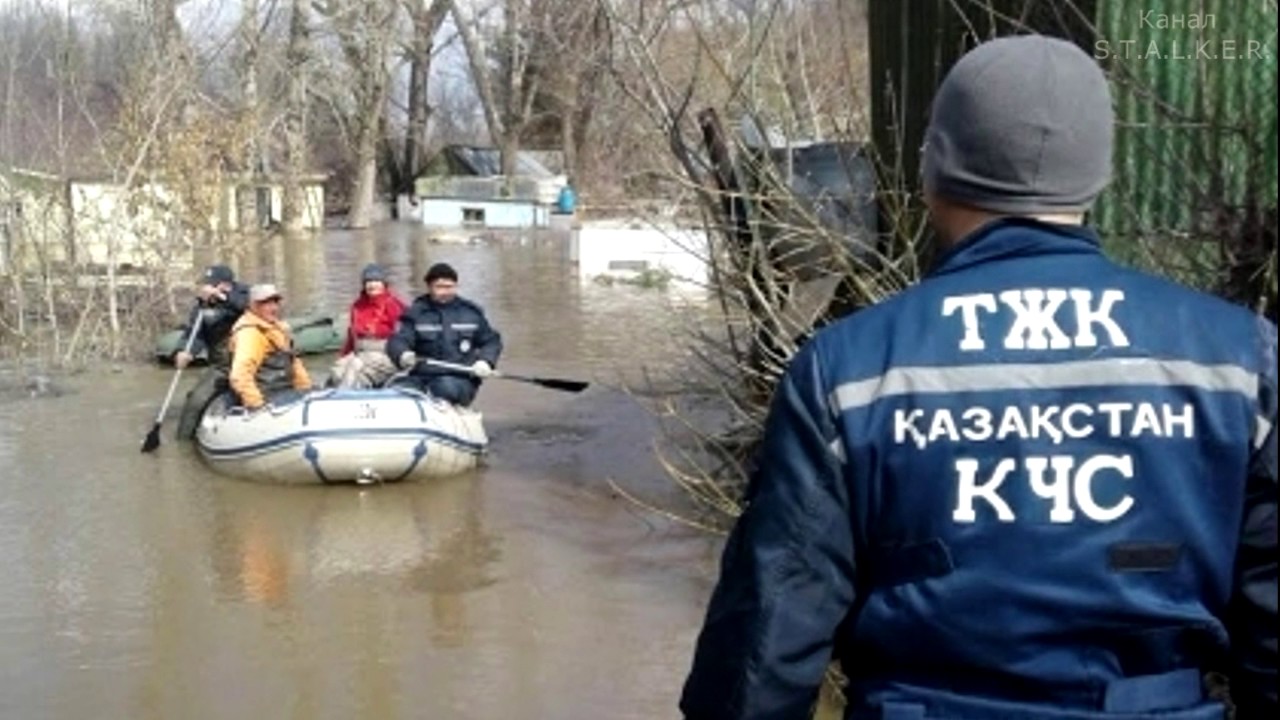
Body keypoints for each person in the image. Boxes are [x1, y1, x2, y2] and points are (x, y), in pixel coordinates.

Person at [679, 35, 1276, 720]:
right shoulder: (1240, 360)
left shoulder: (846, 370)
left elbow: (762, 651)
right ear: (1099, 176)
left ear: (934, 168)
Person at [386, 262, 502, 406]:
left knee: (444, 387)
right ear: (429, 287)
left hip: (460, 380)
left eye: (449, 287)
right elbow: (398, 340)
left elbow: (491, 341)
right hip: (422, 376)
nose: (445, 291)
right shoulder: (416, 313)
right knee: (396, 391)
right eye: (439, 287)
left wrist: (485, 361)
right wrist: (402, 354)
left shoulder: (471, 313)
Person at [174, 264, 250, 439]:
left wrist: (223, 297)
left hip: (254, 363)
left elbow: (247, 307)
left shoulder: (246, 294)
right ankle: (184, 442)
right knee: (195, 401)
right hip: (222, 366)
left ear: (225, 285)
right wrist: (185, 351)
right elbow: (194, 333)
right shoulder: (202, 308)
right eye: (205, 285)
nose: (205, 289)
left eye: (211, 285)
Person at [227, 284, 313, 410]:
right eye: (266, 303)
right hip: (267, 398)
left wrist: (307, 390)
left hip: (287, 392)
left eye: (276, 302)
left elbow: (295, 365)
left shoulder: (277, 328)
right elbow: (240, 375)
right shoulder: (250, 334)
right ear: (253, 306)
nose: (274, 308)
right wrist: (258, 406)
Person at [326, 263, 408, 389]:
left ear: (383, 284)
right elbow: (351, 336)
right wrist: (344, 355)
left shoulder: (393, 305)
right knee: (338, 370)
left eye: (376, 281)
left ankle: (347, 398)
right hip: (360, 353)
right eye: (368, 281)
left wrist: (404, 357)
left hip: (385, 355)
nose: (372, 284)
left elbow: (403, 334)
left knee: (355, 368)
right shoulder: (357, 306)